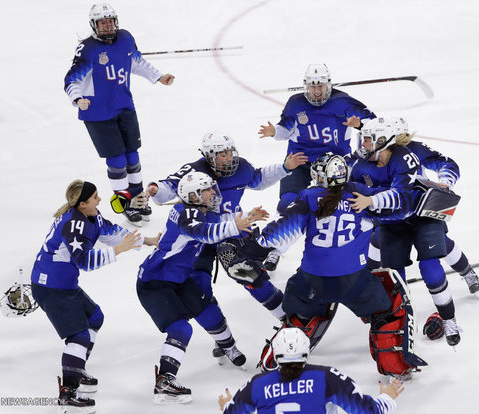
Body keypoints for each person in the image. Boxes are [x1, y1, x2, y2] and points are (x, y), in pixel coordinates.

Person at [221, 153, 425, 377]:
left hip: (312, 281)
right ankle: (395, 364)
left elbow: (281, 233)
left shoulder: (307, 197)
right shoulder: (361, 193)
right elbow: (401, 205)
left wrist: (249, 252)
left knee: (301, 312)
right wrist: (415, 196)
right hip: (355, 282)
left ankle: (280, 354)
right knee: (390, 310)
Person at [146, 131, 307, 332]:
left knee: (249, 274)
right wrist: (155, 189)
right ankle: (223, 337)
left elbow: (258, 178)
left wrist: (284, 168)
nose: (229, 157)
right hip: (199, 237)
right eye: (223, 154)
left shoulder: (241, 167)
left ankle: (287, 317)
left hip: (232, 230)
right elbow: (169, 187)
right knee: (199, 289)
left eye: (230, 152)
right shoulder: (194, 172)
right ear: (209, 156)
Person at [30, 180, 160, 411]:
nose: (100, 200)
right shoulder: (74, 226)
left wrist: (149, 241)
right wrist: (120, 251)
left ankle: (76, 369)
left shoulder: (91, 215)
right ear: (82, 204)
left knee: (94, 318)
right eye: (95, 197)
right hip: (51, 286)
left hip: (63, 283)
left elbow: (112, 233)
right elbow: (85, 262)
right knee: (79, 335)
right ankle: (68, 391)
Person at [137, 171, 265, 404]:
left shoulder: (197, 211)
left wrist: (246, 216)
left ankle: (228, 347)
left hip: (178, 278)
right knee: (181, 329)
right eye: (206, 190)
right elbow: (205, 233)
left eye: (210, 188)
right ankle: (165, 381)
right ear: (193, 195)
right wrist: (235, 225)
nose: (212, 193)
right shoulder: (187, 216)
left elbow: (216, 223)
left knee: (209, 310)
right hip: (154, 283)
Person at [349, 117, 463, 346]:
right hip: (392, 222)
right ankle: (402, 322)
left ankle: (450, 318)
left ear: (384, 140)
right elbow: (347, 186)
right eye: (365, 139)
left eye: (369, 140)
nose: (364, 145)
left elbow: (402, 199)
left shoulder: (408, 156)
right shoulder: (362, 162)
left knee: (431, 267)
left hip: (420, 216)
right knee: (394, 277)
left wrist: (445, 181)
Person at [64, 3, 175, 226]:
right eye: (102, 22)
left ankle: (138, 198)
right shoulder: (87, 49)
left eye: (109, 21)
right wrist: (78, 99)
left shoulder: (125, 39)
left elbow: (135, 62)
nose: (107, 26)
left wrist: (159, 76)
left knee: (132, 156)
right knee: (116, 159)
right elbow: (71, 80)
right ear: (94, 25)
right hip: (98, 114)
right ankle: (123, 202)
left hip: (124, 106)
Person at [257, 63, 376, 270]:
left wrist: (360, 125)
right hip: (300, 159)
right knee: (287, 204)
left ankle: (363, 250)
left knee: (348, 205)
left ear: (328, 85)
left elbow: (375, 124)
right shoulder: (295, 103)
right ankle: (275, 251)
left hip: (334, 163)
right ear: (306, 86)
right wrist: (274, 132)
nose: (316, 90)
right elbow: (285, 129)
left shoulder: (344, 101)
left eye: (320, 86)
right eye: (312, 86)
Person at [363, 119, 479, 297]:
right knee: (378, 240)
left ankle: (467, 272)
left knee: (440, 243)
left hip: (419, 210)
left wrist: (445, 182)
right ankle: (369, 281)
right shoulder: (371, 154)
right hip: (392, 212)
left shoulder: (413, 149)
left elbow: (446, 164)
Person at [218, 327, 404, 413]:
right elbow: (369, 412)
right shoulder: (327, 377)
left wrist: (227, 405)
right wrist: (387, 396)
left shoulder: (256, 384)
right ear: (306, 351)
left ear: (275, 355)